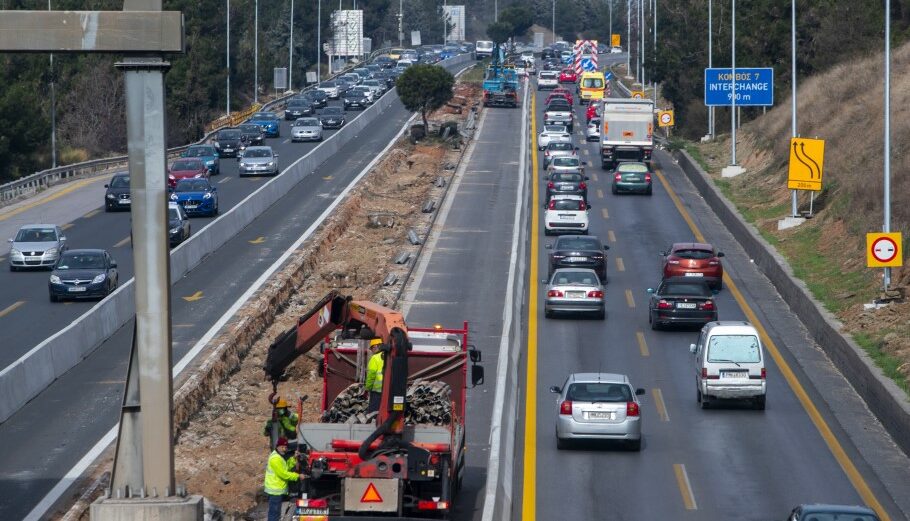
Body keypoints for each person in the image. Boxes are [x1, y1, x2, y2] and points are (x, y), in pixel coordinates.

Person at [263, 437, 299, 521]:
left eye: (286, 447)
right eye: (282, 447)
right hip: (275, 490)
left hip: (277, 490)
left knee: (276, 513)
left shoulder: (280, 457)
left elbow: (286, 468)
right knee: (274, 514)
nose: (284, 449)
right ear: (278, 446)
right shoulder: (275, 458)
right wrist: (297, 476)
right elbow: (283, 474)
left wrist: (293, 458)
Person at [364, 338, 385, 413]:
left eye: (372, 348)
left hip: (377, 392)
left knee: (374, 413)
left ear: (375, 346)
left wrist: (368, 388)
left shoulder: (375, 358)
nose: (372, 351)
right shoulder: (389, 356)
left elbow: (371, 376)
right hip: (389, 391)